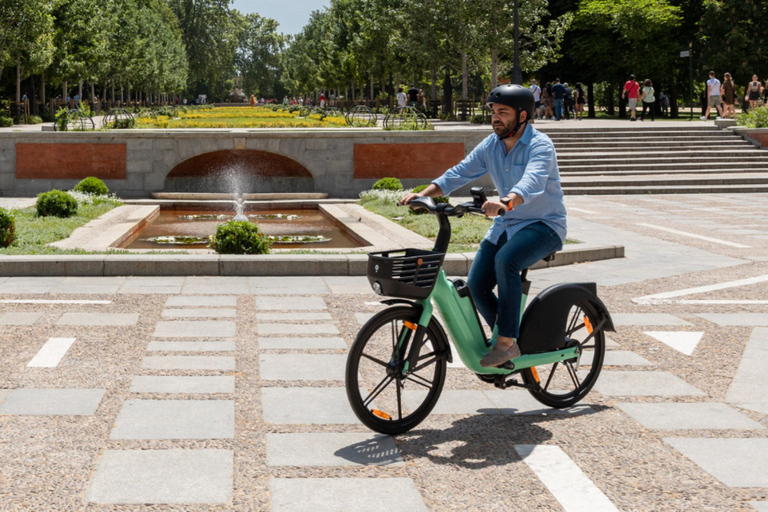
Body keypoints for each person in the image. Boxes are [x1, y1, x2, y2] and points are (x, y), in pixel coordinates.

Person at [399, 85, 566, 367]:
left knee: (507, 260)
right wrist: (423, 195)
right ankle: (509, 331)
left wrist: (507, 201)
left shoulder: (540, 145)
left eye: (503, 112)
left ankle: (506, 343)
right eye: (493, 112)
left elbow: (534, 180)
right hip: (507, 225)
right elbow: (460, 172)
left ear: (522, 115)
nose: (495, 118)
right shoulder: (492, 144)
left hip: (544, 225)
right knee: (476, 285)